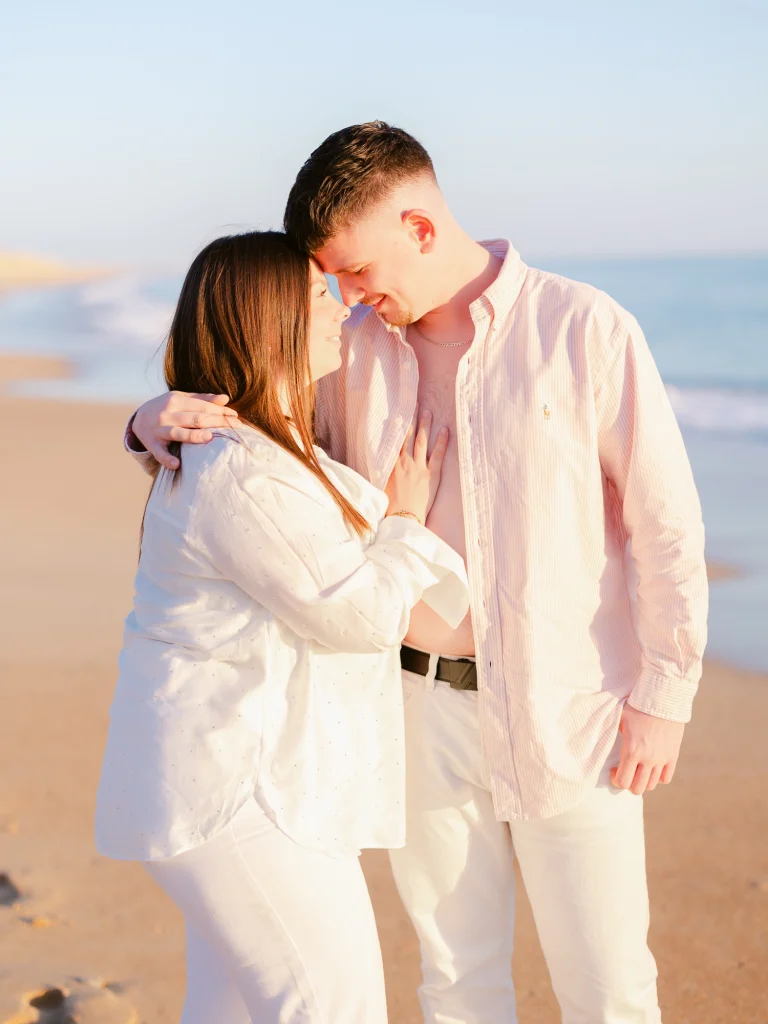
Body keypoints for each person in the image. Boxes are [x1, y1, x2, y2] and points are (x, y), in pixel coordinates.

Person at [127, 124, 709, 1024]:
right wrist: (146, 419)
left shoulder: (583, 328)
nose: (347, 294)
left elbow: (664, 522)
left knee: (609, 985)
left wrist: (664, 696)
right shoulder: (347, 350)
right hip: (412, 712)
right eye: (333, 280)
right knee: (456, 976)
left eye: (355, 271)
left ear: (422, 227)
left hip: (576, 708)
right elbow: (252, 442)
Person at [95, 230, 470, 1024]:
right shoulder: (240, 467)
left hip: (238, 781)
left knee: (233, 1010)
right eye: (312, 297)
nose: (336, 308)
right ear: (265, 321)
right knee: (331, 1008)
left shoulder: (263, 449)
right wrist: (404, 522)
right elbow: (363, 618)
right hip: (239, 792)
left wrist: (141, 421)